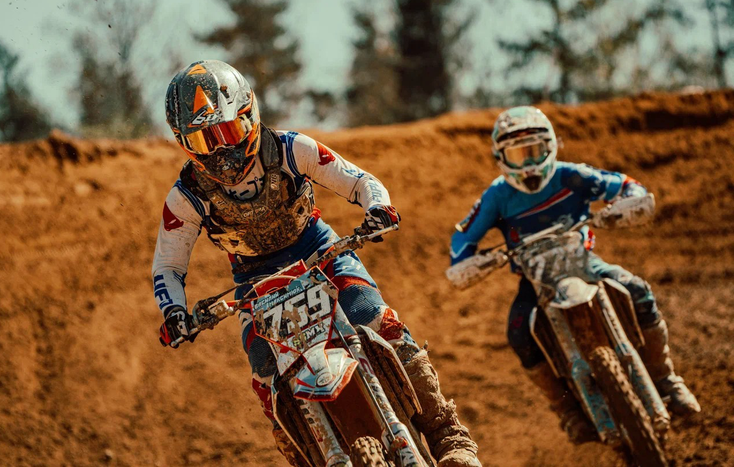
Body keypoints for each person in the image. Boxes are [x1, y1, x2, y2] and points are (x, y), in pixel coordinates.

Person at [152, 60, 480, 466]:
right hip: (255, 282)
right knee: (266, 377)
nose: (221, 151)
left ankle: (449, 435)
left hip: (319, 252)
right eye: (204, 141)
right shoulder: (186, 196)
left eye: (229, 132)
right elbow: (168, 265)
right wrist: (174, 312)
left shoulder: (290, 149)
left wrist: (377, 207)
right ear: (184, 143)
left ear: (249, 114)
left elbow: (359, 180)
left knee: (378, 320)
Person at [448, 105, 700, 444]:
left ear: (551, 146)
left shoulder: (571, 176)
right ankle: (566, 411)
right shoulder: (497, 195)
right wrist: (466, 261)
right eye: (518, 155)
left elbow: (624, 185)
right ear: (500, 158)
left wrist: (628, 201)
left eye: (534, 151)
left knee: (638, 289)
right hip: (535, 278)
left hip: (584, 261)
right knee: (518, 333)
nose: (528, 164)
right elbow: (463, 237)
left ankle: (667, 380)